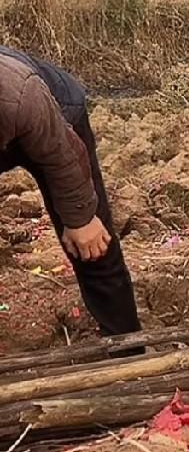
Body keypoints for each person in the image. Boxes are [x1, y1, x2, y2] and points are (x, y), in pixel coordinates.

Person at [0, 48, 143, 348]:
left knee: (92, 245)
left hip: (56, 124)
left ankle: (127, 348)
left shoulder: (17, 94)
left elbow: (62, 155)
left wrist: (81, 218)